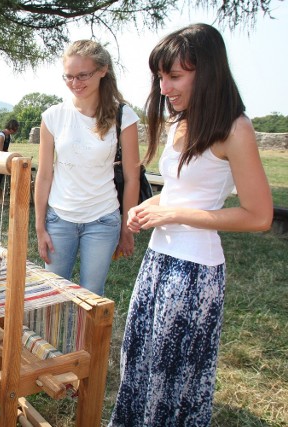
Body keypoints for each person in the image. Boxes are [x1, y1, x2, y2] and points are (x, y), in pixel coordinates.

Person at [109, 24, 273, 427]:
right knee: (139, 361)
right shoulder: (180, 122)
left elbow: (258, 215)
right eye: (161, 77)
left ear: (209, 71)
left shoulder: (236, 129)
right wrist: (149, 207)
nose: (164, 87)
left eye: (175, 76)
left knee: (173, 379)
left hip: (195, 273)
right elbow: (181, 193)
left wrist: (174, 214)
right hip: (158, 261)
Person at [34, 39, 141, 297]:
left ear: (103, 70)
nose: (75, 83)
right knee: (51, 294)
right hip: (59, 218)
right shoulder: (53, 116)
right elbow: (45, 175)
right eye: (68, 77)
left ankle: (83, 341)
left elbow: (132, 176)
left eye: (83, 75)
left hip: (103, 219)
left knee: (91, 295)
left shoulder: (123, 116)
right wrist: (39, 227)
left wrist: (127, 228)